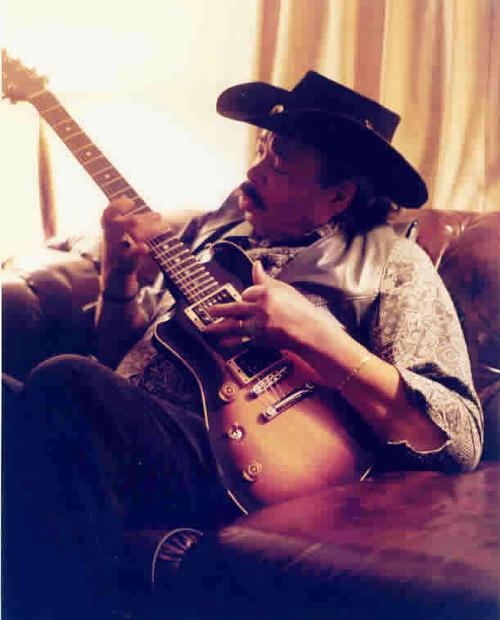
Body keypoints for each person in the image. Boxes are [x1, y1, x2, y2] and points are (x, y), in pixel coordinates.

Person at [2, 71, 483, 618]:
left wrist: (314, 333)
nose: (252, 173)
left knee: (66, 380)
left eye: (279, 165)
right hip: (130, 432)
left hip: (246, 453)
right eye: (261, 150)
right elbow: (119, 365)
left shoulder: (392, 262)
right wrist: (118, 275)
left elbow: (459, 434)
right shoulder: (211, 234)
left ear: (338, 196)